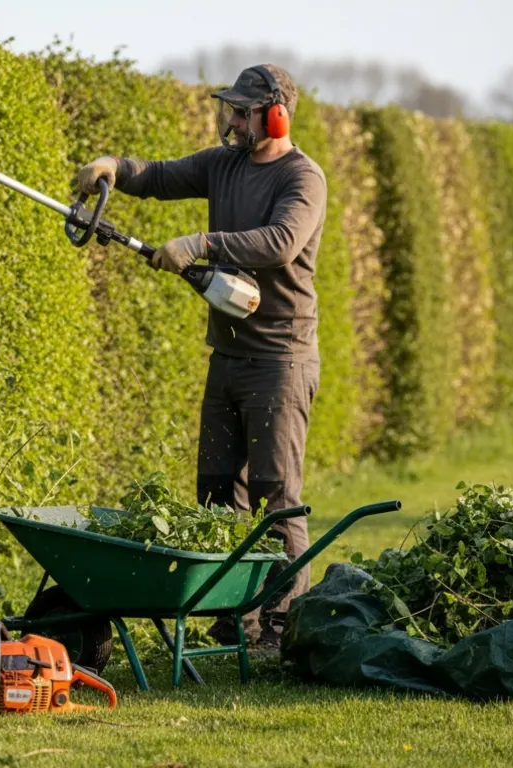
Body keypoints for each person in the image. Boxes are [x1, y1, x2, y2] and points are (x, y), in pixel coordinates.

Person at [72, 64, 328, 648]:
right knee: (215, 491)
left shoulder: (302, 178)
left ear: (275, 115)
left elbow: (280, 242)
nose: (231, 120)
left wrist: (201, 243)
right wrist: (114, 166)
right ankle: (233, 617)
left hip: (280, 360)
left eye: (242, 112)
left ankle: (284, 627)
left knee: (276, 494)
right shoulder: (224, 164)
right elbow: (161, 176)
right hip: (229, 355)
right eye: (230, 109)